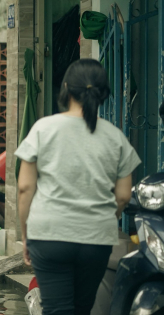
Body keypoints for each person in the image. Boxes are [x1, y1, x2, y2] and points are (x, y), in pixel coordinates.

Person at [15, 59, 141, 315]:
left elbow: (25, 188)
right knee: (82, 308)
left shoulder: (43, 129)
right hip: (96, 239)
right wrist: (107, 218)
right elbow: (124, 195)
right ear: (103, 92)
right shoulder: (115, 137)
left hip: (48, 235)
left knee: (56, 309)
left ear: (65, 88)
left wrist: (26, 235)